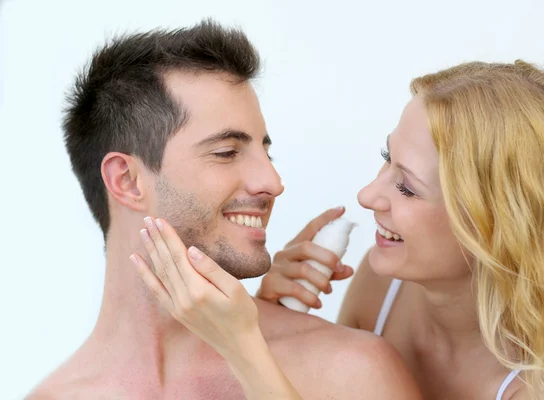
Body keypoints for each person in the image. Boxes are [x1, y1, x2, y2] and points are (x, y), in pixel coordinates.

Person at [148, 60, 544, 399]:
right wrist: (280, 321)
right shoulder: (382, 287)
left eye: (406, 187)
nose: (367, 195)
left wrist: (244, 346)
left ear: (494, 226)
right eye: (387, 159)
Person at [26, 20, 422, 400]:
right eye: (227, 152)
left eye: (265, 151)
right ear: (127, 181)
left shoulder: (347, 372)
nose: (273, 181)